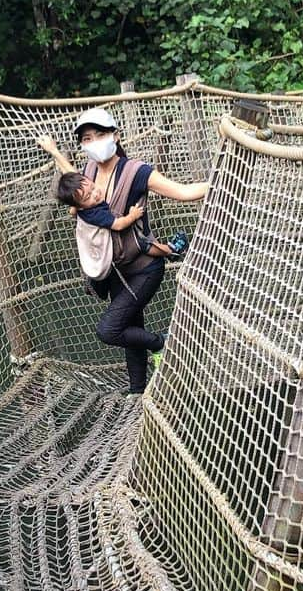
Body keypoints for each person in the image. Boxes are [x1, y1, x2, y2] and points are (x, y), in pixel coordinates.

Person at [37, 107, 207, 394]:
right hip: (116, 272)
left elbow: (184, 192)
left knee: (109, 330)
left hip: (143, 268)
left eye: (100, 134)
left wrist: (224, 179)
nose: (94, 142)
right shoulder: (87, 174)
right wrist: (54, 151)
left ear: (115, 135)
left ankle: (162, 343)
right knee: (130, 330)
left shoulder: (136, 172)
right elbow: (71, 178)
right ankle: (138, 391)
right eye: (87, 138)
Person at [54, 170, 188, 260]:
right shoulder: (95, 213)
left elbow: (73, 210)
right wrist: (132, 216)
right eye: (88, 197)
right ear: (80, 205)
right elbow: (118, 225)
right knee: (142, 244)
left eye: (93, 187)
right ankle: (170, 251)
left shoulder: (81, 208)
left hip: (100, 246)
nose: (95, 194)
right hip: (111, 247)